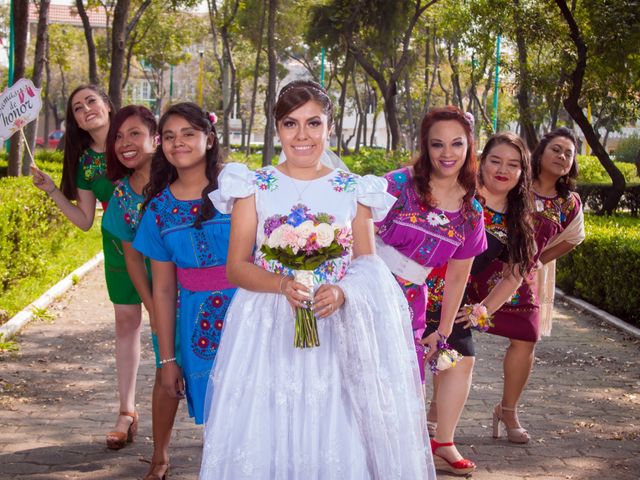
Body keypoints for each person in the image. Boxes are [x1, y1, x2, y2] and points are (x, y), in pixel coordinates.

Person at [199, 80, 434, 479]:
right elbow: (236, 266)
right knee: (267, 426)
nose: (302, 135)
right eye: (291, 124)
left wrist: (343, 292)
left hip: (333, 329)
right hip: (266, 328)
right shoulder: (252, 187)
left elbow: (368, 265)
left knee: (335, 423)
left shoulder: (353, 189)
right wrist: (279, 285)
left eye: (313, 123)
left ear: (330, 127)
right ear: (278, 129)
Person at [374, 106, 487, 475]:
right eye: (437, 144)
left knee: (401, 385)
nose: (447, 153)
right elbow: (352, 233)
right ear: (425, 145)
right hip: (366, 292)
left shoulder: (471, 211)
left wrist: (444, 330)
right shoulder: (395, 184)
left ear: (470, 146)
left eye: (457, 144)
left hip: (410, 304)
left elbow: (458, 275)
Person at [31, 85, 143, 449]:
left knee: (171, 328)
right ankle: (126, 411)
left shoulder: (138, 142)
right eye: (77, 108)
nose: (85, 109)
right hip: (116, 251)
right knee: (126, 325)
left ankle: (191, 407)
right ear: (75, 120)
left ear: (108, 104)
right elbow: (83, 220)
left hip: (162, 249)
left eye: (91, 101)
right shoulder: (85, 163)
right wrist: (52, 190)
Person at [132, 102, 235, 478]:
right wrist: (166, 359)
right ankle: (172, 458)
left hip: (250, 311)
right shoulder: (159, 209)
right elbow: (161, 289)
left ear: (209, 138)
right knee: (192, 396)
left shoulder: (239, 189)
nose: (179, 143)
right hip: (193, 319)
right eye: (170, 137)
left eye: (188, 134)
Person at [427, 133, 538, 446]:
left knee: (460, 358)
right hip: (415, 288)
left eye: (513, 164)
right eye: (496, 160)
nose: (503, 169)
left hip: (452, 297)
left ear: (522, 172)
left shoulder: (518, 220)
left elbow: (514, 275)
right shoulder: (459, 194)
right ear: (481, 161)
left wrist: (483, 310)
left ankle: (443, 441)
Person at [101, 105, 180, 479]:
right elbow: (133, 260)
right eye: (117, 136)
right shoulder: (122, 197)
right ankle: (160, 456)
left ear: (155, 138)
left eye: (134, 133)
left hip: (200, 293)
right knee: (167, 373)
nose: (124, 143)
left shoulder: (183, 178)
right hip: (159, 295)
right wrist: (153, 306)